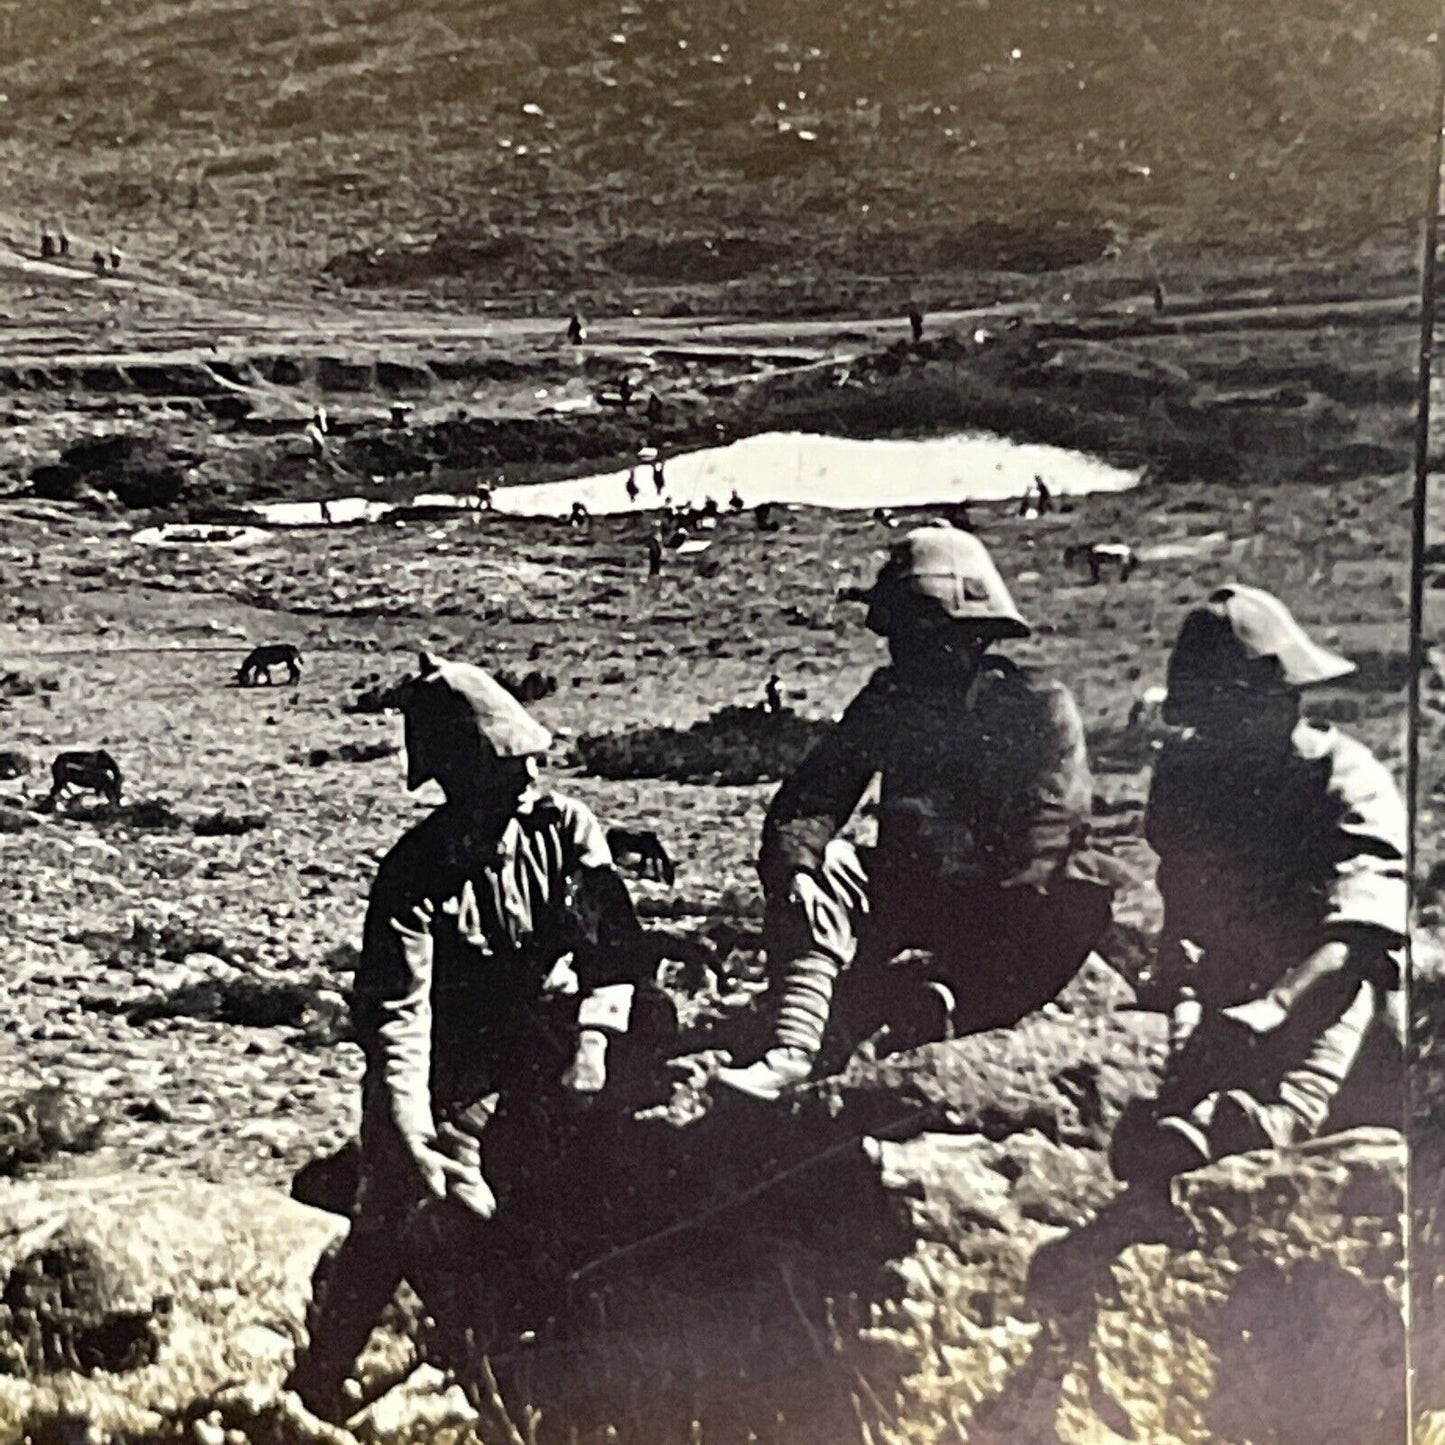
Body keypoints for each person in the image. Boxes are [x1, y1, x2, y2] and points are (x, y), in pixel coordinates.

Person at [287, 654, 654, 1419]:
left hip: (555, 1044)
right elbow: (397, 1013)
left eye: (526, 761)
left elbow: (611, 949)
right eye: (500, 766)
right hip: (455, 1065)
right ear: (456, 776)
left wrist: (592, 1041)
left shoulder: (566, 828)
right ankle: (324, 1382)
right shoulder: (415, 872)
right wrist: (409, 1130)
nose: (523, 779)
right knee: (402, 1204)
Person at [716, 524, 1114, 1100]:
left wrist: (975, 940)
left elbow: (1050, 833)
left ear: (971, 634)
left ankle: (952, 1004)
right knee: (826, 865)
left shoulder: (1035, 706)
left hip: (1010, 905)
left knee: (1073, 894)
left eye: (925, 631)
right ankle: (793, 1048)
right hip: (914, 890)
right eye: (900, 631)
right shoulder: (889, 701)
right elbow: (815, 794)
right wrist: (798, 865)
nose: (907, 647)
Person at [1109, 586, 1406, 1183]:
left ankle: (1285, 1121)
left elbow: (1365, 923)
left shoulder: (1341, 774)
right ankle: (1190, 1127)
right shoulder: (1190, 774)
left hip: (1328, 972)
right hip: (1238, 968)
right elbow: (1186, 893)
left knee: (1352, 1000)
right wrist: (1185, 985)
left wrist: (1276, 1005)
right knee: (1195, 1056)